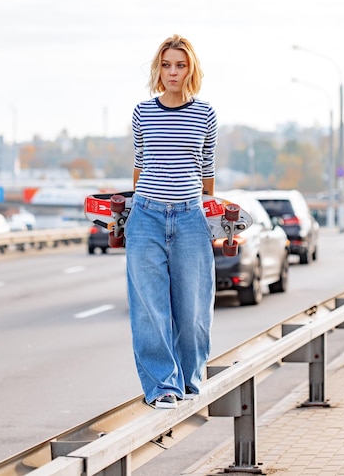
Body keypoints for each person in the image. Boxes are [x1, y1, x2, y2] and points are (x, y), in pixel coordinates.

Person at [125, 34, 218, 409]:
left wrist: (211, 214)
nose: (173, 72)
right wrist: (129, 214)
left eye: (180, 65)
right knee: (151, 308)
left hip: (191, 218)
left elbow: (207, 170)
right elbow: (139, 165)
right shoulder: (142, 112)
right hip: (146, 215)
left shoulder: (205, 114)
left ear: (190, 68)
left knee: (193, 312)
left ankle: (190, 378)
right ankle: (163, 385)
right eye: (166, 65)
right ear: (158, 69)